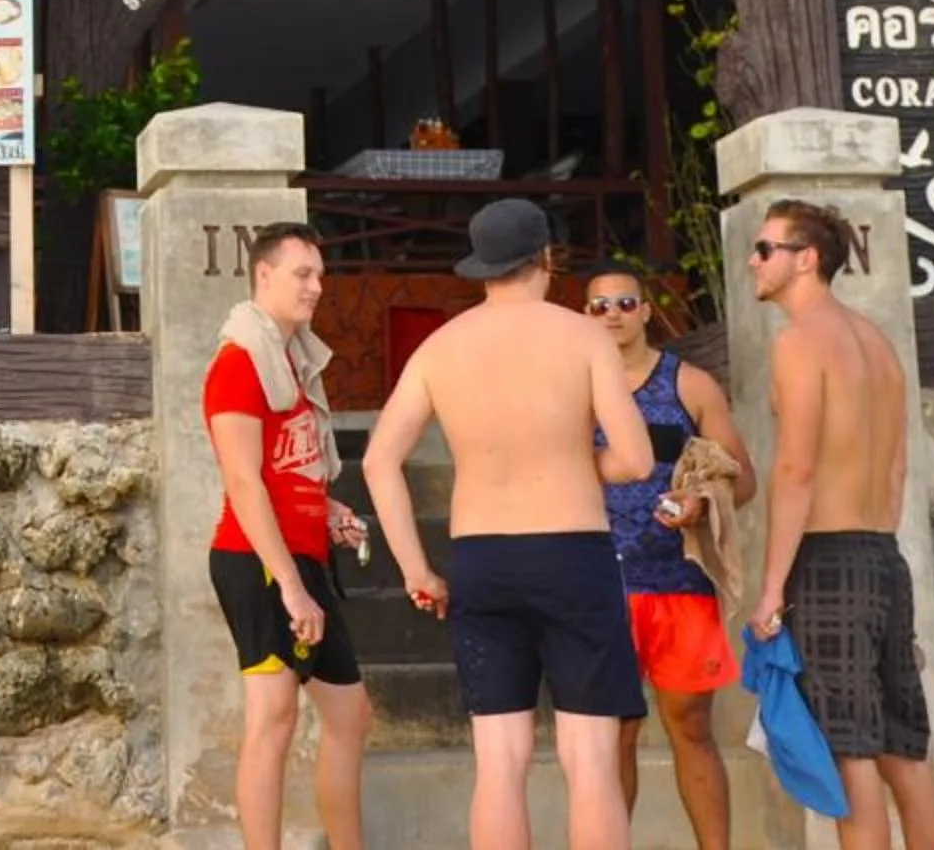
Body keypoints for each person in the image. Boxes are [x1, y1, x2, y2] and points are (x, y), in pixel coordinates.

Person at [362, 199, 654, 850]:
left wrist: (417, 569)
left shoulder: (441, 347)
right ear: (546, 258)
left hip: (481, 559)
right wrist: (578, 458)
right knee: (591, 761)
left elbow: (381, 461)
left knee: (498, 761)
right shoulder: (582, 336)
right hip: (573, 554)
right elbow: (636, 460)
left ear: (482, 266)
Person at [742, 199, 934, 850]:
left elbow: (796, 470)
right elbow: (894, 472)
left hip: (828, 561)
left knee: (848, 748)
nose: (753, 259)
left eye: (765, 248)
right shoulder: (877, 344)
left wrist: (773, 588)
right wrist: (871, 546)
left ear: (807, 260)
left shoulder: (802, 342)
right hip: (882, 555)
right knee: (902, 746)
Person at [203, 222, 372, 850]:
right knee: (272, 720)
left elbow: (287, 468)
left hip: (303, 557)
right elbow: (244, 483)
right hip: (258, 563)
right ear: (264, 275)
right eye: (304, 274)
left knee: (351, 717)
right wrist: (295, 590)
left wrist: (326, 508)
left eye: (321, 275)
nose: (317, 287)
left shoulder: (294, 364)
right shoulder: (238, 363)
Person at [584, 261, 756, 850]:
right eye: (599, 306)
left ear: (646, 310)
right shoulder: (575, 386)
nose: (613, 315)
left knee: (692, 727)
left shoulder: (688, 384)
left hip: (678, 581)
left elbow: (742, 476)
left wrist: (701, 499)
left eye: (624, 303)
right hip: (598, 583)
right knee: (615, 733)